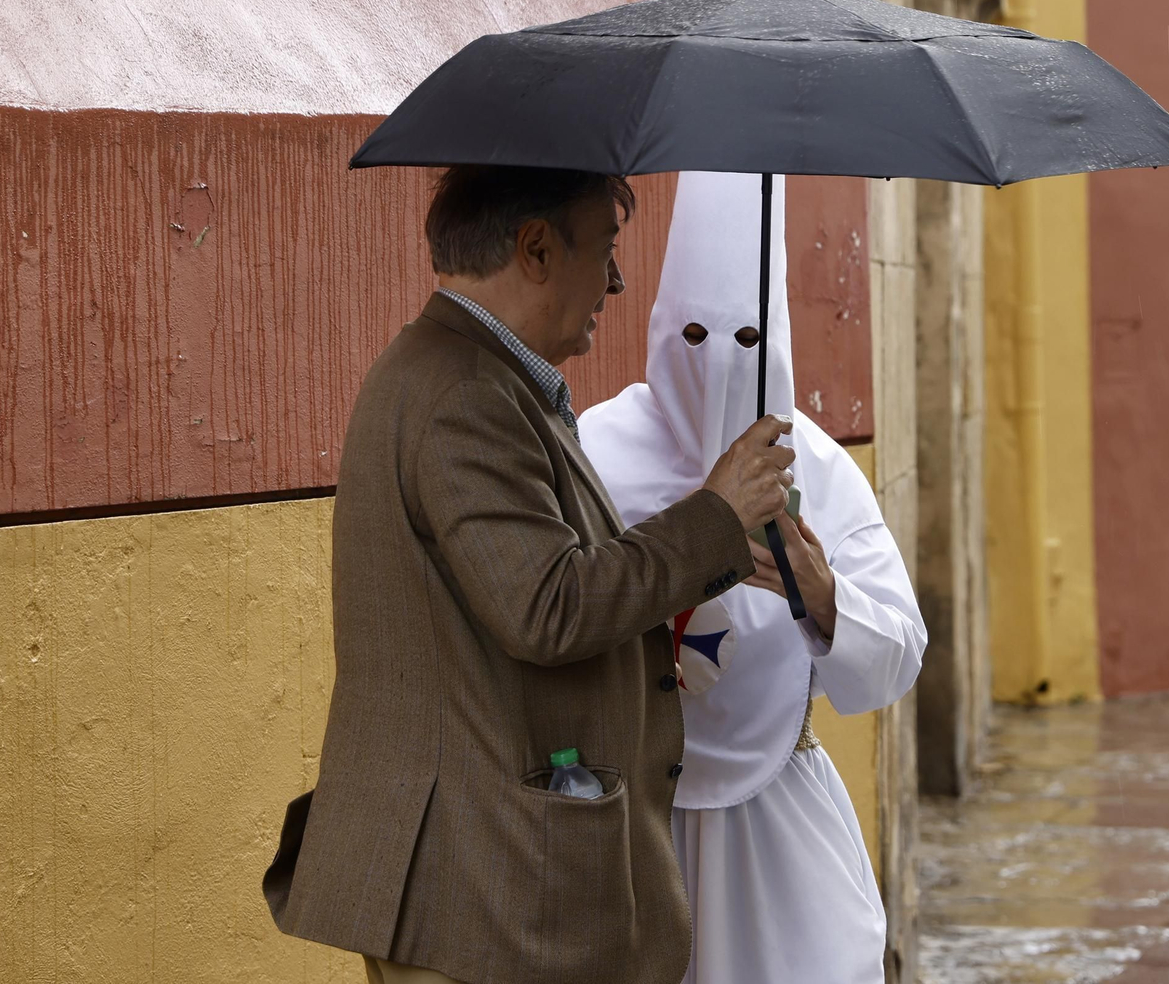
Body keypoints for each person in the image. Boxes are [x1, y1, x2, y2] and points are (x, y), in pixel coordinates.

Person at [261, 165, 798, 984]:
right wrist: (715, 514)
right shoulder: (464, 393)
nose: (618, 281)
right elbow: (550, 605)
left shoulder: (483, 379)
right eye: (608, 249)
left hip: (486, 878)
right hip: (477, 889)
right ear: (538, 248)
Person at [579, 168, 927, 984]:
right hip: (633, 829)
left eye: (745, 343)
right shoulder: (596, 447)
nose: (719, 367)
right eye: (694, 337)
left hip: (781, 832)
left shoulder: (823, 467)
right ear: (664, 327)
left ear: (775, 343)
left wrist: (823, 594)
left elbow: (899, 650)